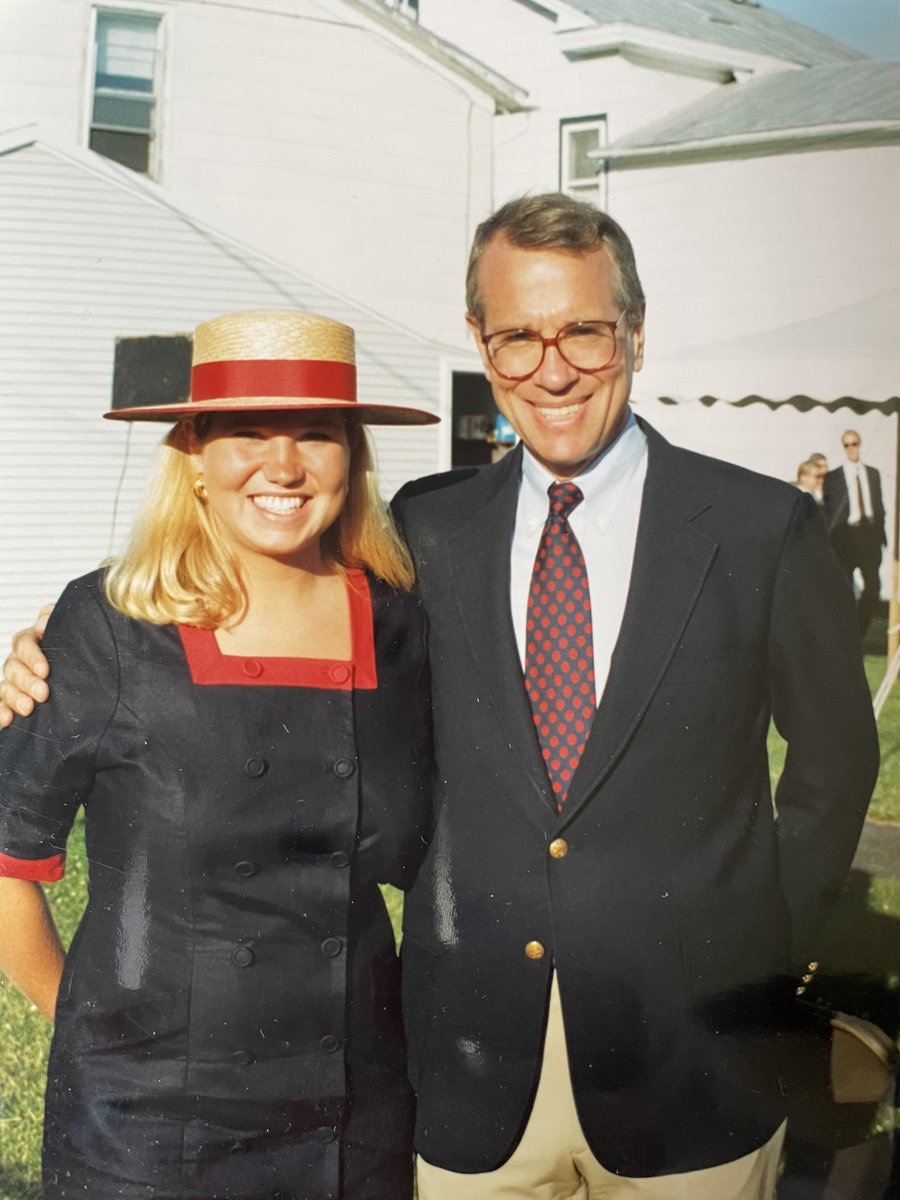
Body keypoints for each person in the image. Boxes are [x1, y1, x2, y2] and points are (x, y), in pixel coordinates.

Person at [2, 197, 880, 1200]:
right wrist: (52, 651)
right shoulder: (428, 531)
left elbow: (836, 768)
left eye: (584, 333)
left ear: (635, 331)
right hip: (465, 1081)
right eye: (517, 339)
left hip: (689, 1076)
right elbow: (236, 591)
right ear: (481, 344)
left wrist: (760, 961)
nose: (550, 370)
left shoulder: (765, 528)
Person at [0, 309, 436, 1200]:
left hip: (355, 1118)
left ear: (352, 456)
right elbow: (7, 863)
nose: (282, 467)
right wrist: (93, 1034)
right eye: (246, 433)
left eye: (315, 434)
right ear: (193, 454)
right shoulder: (108, 625)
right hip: (147, 1135)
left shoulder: (399, 622)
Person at [822, 430, 887, 635]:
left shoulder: (873, 474)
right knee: (844, 587)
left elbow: (879, 506)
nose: (852, 448)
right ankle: (845, 629)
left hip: (869, 536)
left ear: (860, 444)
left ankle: (860, 628)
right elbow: (829, 509)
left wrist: (882, 536)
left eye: (855, 444)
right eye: (847, 445)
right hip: (845, 537)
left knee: (873, 588)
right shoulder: (833, 477)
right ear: (843, 447)